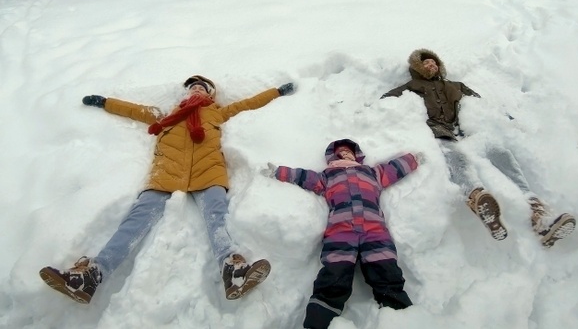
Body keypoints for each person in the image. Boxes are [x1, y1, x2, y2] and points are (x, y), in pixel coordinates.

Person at [39, 75, 295, 304]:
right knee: (135, 221)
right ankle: (92, 275)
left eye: (202, 88)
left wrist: (276, 92)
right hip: (165, 174)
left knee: (217, 216)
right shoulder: (163, 115)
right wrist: (104, 101)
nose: (196, 90)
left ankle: (233, 269)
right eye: (193, 87)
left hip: (208, 173)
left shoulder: (218, 113)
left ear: (210, 95)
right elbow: (132, 110)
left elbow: (250, 103)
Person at [381, 48, 576, 247]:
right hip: (439, 135)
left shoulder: (456, 86)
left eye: (434, 62)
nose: (431, 65)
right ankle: (477, 197)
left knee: (501, 154)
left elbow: (482, 106)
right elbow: (385, 102)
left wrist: (505, 120)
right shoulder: (412, 87)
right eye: (426, 63)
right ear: (417, 67)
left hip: (467, 133)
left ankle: (538, 213)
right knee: (457, 159)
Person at [262, 138, 420, 329]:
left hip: (375, 231)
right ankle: (319, 322)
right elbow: (303, 177)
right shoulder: (327, 177)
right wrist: (280, 172)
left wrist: (412, 159)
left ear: (357, 155)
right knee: (334, 276)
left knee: (387, 272)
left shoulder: (372, 173)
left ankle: (402, 318)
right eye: (340, 153)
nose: (345, 154)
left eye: (348, 152)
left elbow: (394, 169)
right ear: (332, 158)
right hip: (340, 232)